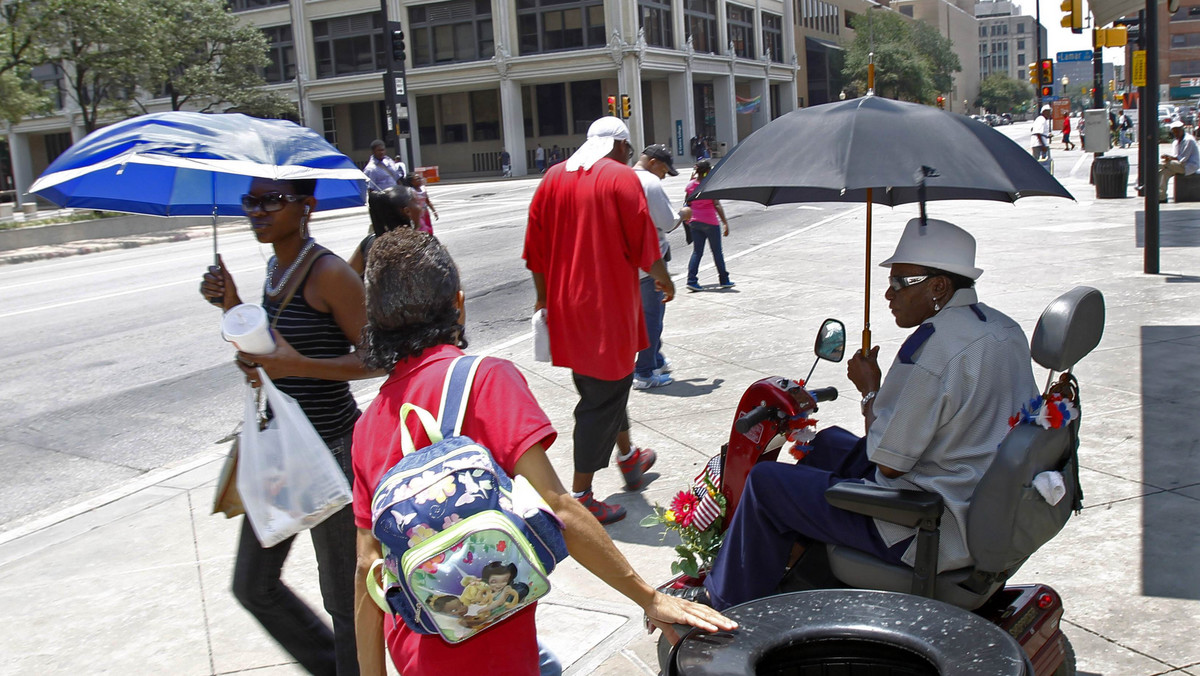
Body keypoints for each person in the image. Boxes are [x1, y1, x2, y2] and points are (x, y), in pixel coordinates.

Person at [351, 229, 737, 676]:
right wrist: (649, 598)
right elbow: (561, 509)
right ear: (458, 303)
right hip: (492, 648)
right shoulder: (484, 380)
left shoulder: (367, 425)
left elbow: (368, 568)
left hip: (416, 646)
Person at [698, 218, 1037, 610]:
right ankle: (799, 567)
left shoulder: (932, 353)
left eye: (899, 283)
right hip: (967, 493)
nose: (888, 294)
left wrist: (870, 390)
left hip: (929, 526)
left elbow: (889, 464)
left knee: (766, 482)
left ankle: (722, 603)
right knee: (826, 443)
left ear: (939, 287)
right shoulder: (1002, 327)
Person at [199, 178, 380, 676]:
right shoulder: (277, 267)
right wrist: (232, 304)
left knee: (347, 603)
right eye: (250, 201)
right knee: (253, 586)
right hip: (282, 449)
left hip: (334, 455)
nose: (257, 211)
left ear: (306, 206)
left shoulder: (329, 273)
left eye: (271, 201)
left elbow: (377, 359)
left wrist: (295, 365)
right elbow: (275, 352)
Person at [522, 117, 674, 525]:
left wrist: (542, 295)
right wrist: (664, 279)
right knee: (600, 399)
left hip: (566, 309)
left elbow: (533, 247)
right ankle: (582, 494)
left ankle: (628, 458)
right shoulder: (621, 178)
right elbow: (644, 241)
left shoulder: (553, 177)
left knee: (607, 386)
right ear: (620, 146)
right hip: (608, 311)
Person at [632, 144, 691, 390]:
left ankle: (655, 358)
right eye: (664, 171)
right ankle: (644, 372)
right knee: (652, 318)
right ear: (654, 162)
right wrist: (683, 214)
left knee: (642, 316)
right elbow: (666, 223)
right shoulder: (649, 183)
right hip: (650, 263)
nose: (663, 176)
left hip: (625, 262)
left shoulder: (621, 177)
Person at [348, 185, 423, 277]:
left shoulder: (370, 243)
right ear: (407, 211)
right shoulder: (421, 245)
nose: (421, 206)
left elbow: (343, 278)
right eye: (417, 201)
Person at [685, 160, 733, 292]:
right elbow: (716, 204)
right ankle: (724, 279)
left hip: (694, 222)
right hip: (710, 222)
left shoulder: (690, 185)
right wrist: (725, 222)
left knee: (697, 252)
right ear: (707, 171)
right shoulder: (709, 185)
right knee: (717, 252)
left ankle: (692, 280)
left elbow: (687, 202)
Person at [1159, 120, 1200, 202]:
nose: (1176, 134)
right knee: (1164, 172)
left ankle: (1146, 183)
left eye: (1177, 131)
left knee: (1162, 164)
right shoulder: (1175, 142)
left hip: (1188, 166)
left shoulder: (1189, 140)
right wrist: (1169, 157)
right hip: (1178, 165)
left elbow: (1183, 158)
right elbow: (1175, 156)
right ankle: (1162, 196)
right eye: (1174, 132)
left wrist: (1169, 158)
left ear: (1182, 130)